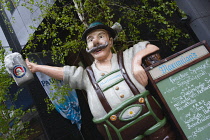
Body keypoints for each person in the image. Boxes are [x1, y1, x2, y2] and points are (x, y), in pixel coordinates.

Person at [26, 22, 176, 139]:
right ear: (87, 49)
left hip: (150, 118)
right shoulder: (86, 75)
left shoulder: (127, 56)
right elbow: (65, 73)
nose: (96, 42)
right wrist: (38, 68)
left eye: (100, 36)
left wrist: (136, 61)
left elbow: (150, 47)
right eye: (90, 40)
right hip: (119, 130)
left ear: (110, 42)